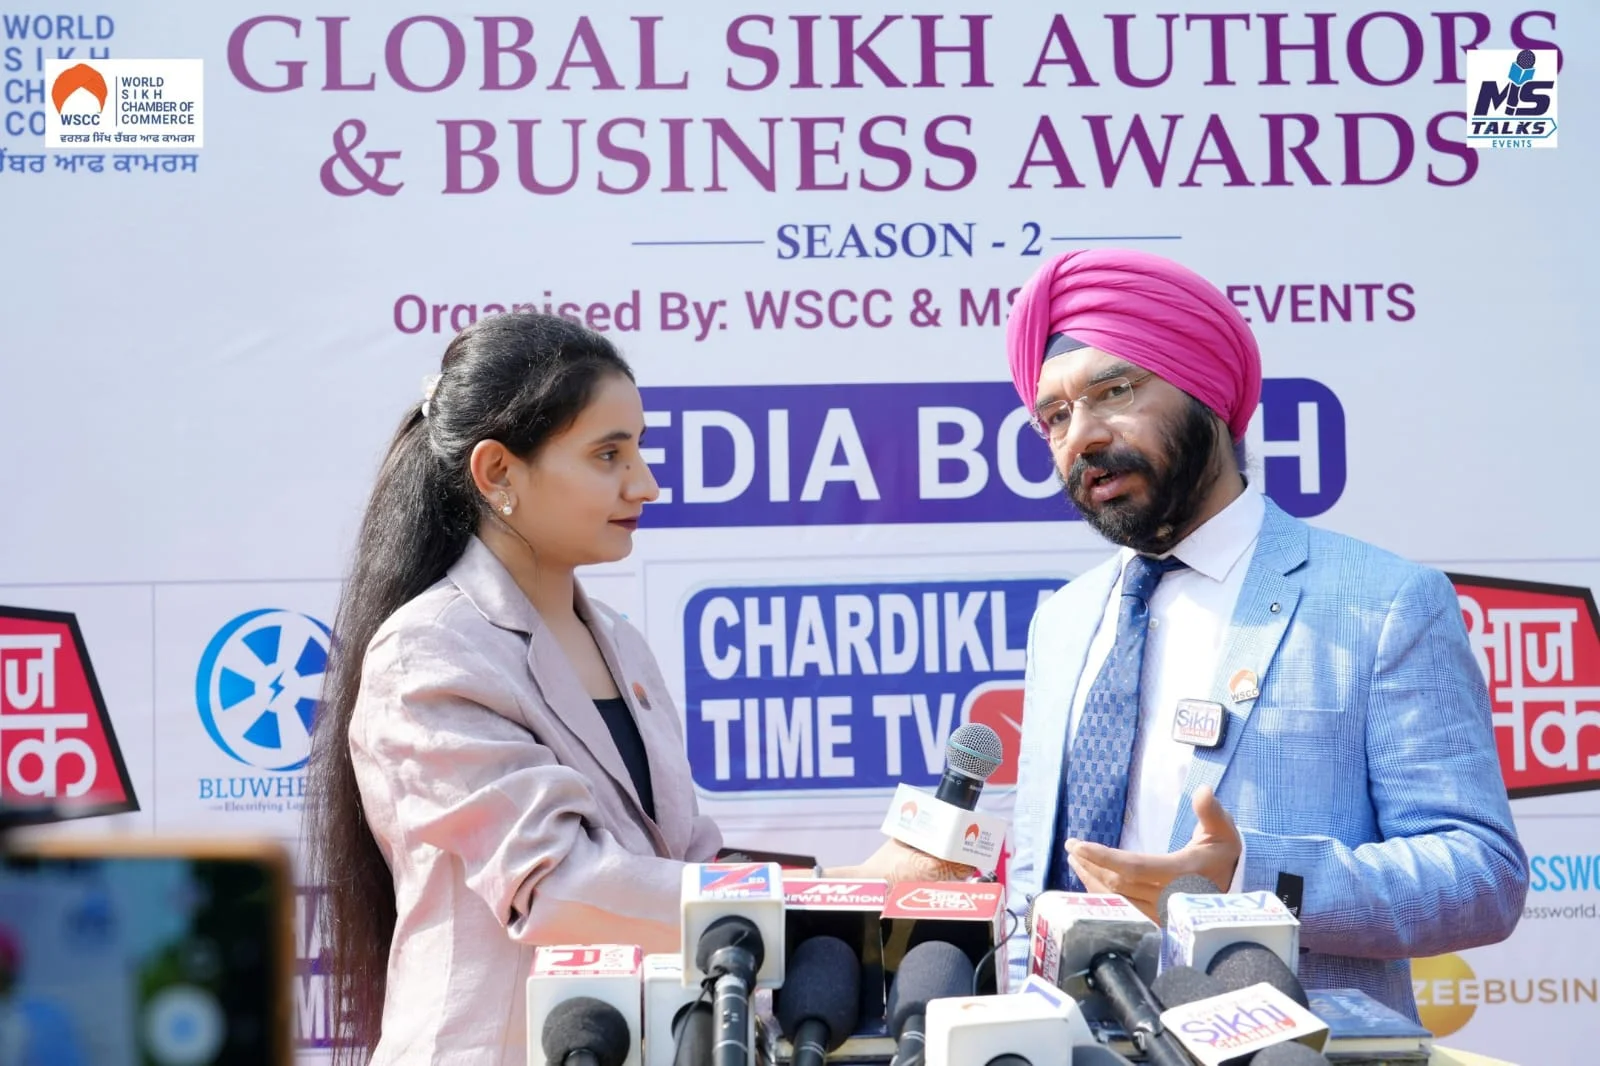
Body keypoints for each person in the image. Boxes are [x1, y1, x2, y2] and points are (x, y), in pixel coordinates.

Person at [303, 312, 968, 1066]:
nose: (646, 483)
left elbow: (684, 860)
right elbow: (558, 890)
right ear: (497, 474)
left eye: (639, 449)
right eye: (607, 454)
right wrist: (844, 888)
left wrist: (863, 889)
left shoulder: (622, 643)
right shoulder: (430, 651)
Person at [999, 249, 1527, 1017]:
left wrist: (1254, 875)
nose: (1078, 436)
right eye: (1053, 416)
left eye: (1112, 391)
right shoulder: (1064, 620)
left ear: (1207, 392)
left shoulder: (1381, 604)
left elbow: (1482, 877)